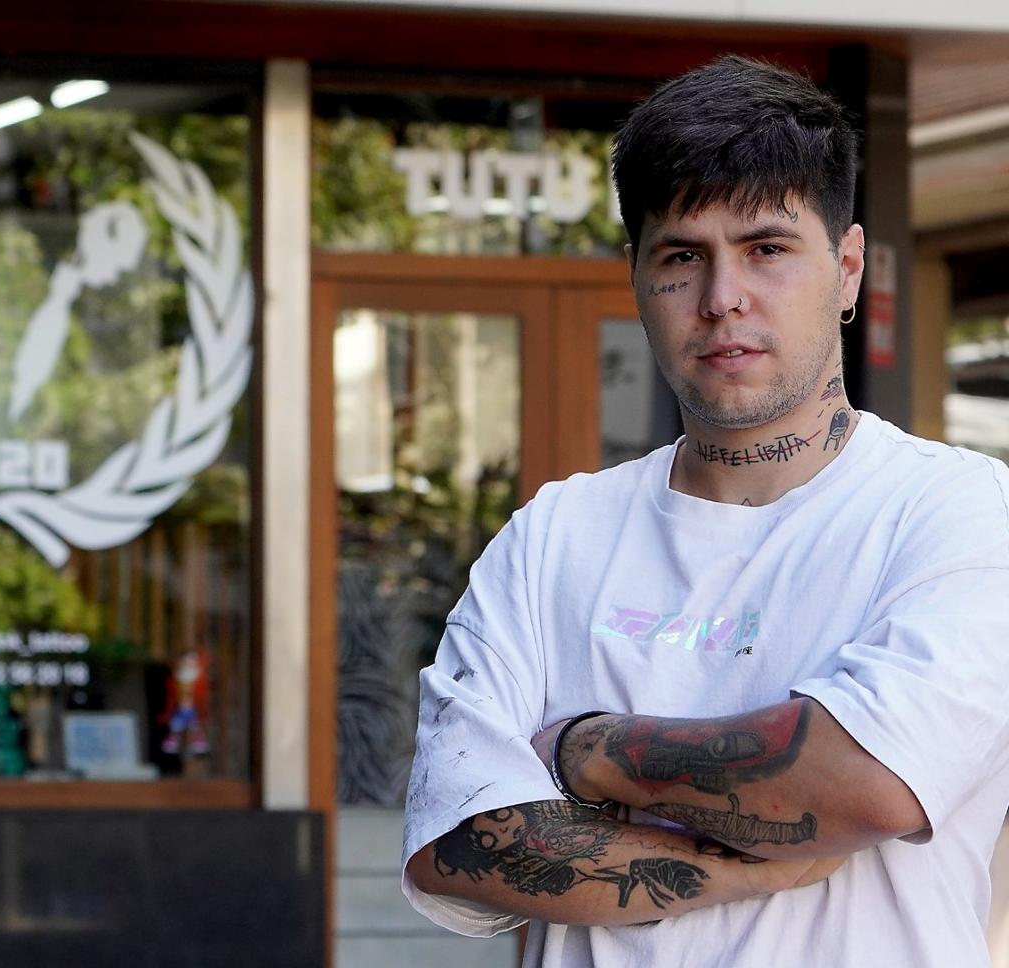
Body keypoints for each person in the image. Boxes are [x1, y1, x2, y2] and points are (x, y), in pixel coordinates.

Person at [401, 55, 1009, 968]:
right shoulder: (553, 537)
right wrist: (751, 871)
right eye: (683, 256)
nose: (724, 298)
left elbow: (868, 782)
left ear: (848, 269)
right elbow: (460, 844)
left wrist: (582, 750)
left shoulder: (958, 513)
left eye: (767, 248)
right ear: (638, 279)